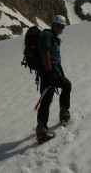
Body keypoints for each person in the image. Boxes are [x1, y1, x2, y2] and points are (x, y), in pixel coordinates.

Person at [35, 15, 72, 144]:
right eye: (59, 26)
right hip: (48, 73)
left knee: (47, 99)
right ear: (53, 25)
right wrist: (50, 72)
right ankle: (63, 115)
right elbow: (44, 52)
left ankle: (43, 130)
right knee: (65, 87)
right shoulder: (48, 35)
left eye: (62, 27)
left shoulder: (51, 36)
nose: (61, 29)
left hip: (49, 73)